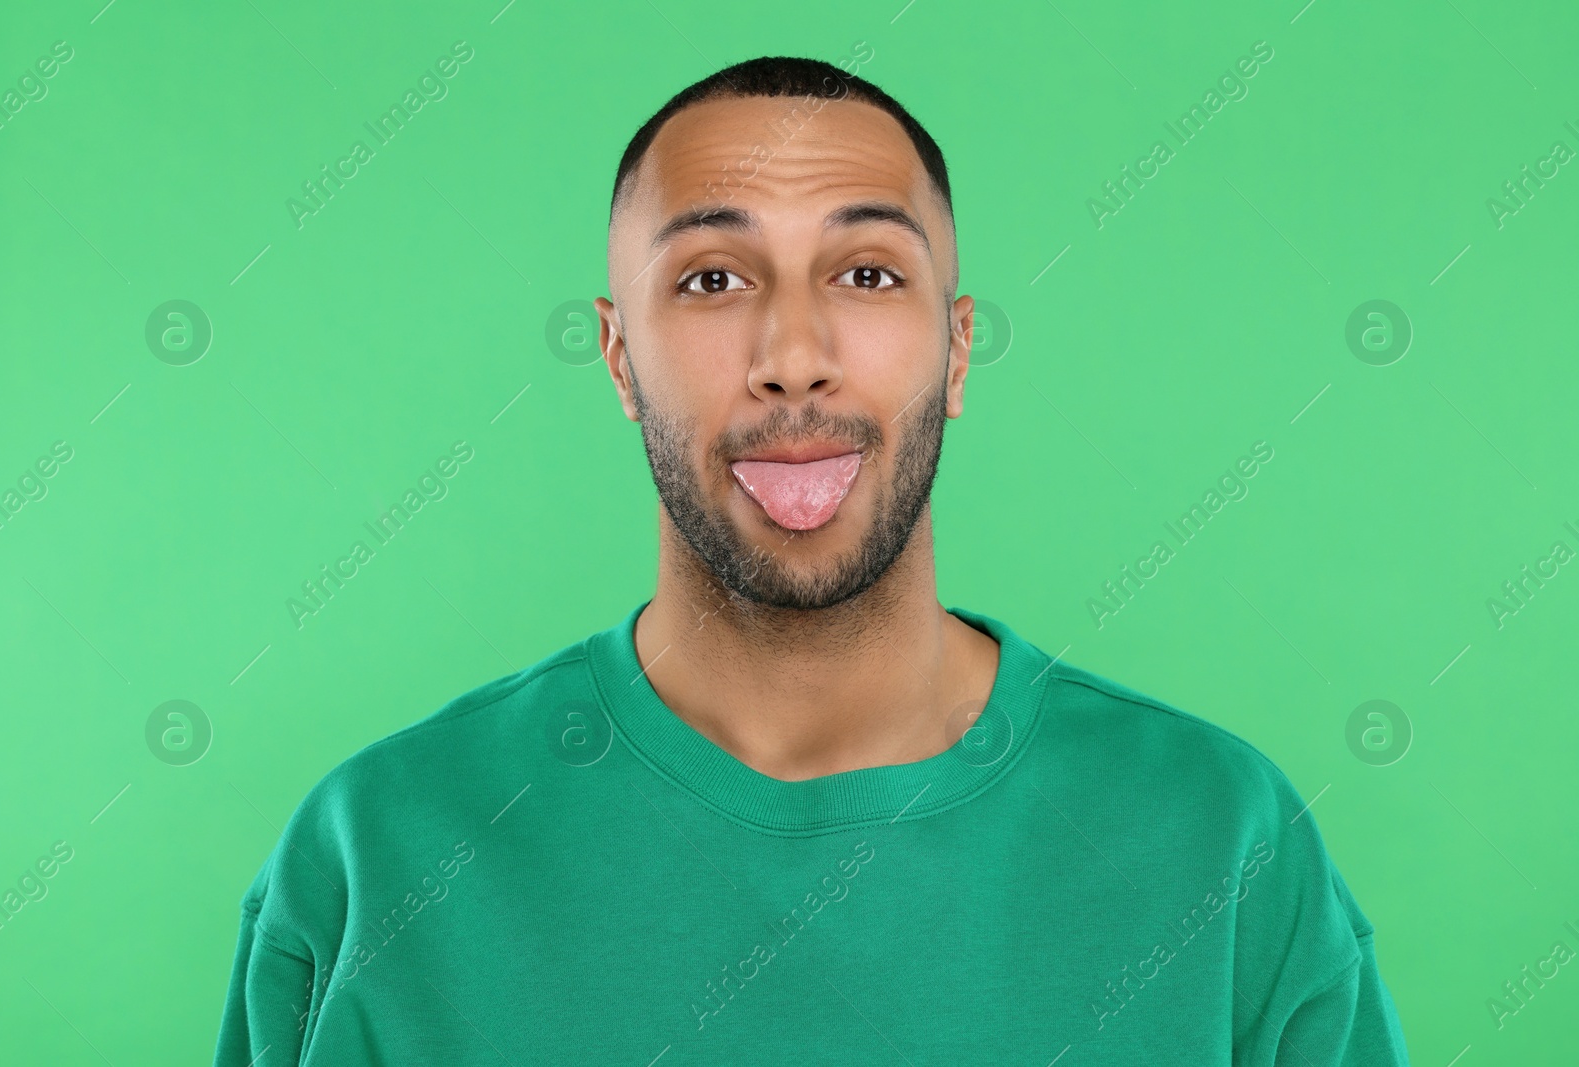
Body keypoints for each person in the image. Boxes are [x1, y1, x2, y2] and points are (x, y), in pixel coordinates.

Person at [212, 55, 1410, 1065]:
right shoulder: (381, 854)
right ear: (619, 357)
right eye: (713, 279)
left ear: (956, 346)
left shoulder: (1218, 842)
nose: (794, 354)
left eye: (868, 273)